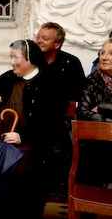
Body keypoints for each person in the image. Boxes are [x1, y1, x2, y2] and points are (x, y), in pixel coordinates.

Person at [0, 39, 68, 219]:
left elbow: (53, 123)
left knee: (20, 166)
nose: (11, 62)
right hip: (3, 139)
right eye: (10, 57)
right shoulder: (9, 78)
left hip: (38, 144)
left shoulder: (50, 82)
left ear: (30, 59)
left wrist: (23, 137)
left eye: (15, 57)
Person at [35, 22, 85, 195]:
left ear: (57, 43)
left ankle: (61, 187)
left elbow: (80, 96)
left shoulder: (70, 62)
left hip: (62, 120)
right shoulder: (31, 61)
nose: (39, 41)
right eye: (38, 37)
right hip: (35, 118)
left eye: (45, 38)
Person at [75, 38, 112, 219]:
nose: (104, 57)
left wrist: (104, 108)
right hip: (95, 145)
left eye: (110, 53)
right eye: (102, 52)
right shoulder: (92, 81)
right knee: (88, 166)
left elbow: (95, 111)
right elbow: (83, 113)